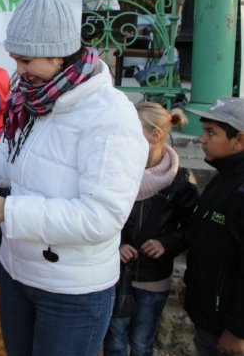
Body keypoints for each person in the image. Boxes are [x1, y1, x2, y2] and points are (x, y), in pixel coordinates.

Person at [0, 0, 147, 356]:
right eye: (15, 58)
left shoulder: (110, 114)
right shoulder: (34, 97)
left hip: (73, 293)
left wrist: (7, 212)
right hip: (19, 274)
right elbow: (12, 164)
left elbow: (102, 217)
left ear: (58, 53)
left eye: (26, 59)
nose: (18, 70)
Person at [103, 102, 198, 356]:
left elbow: (192, 228)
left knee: (143, 341)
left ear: (156, 136)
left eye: (131, 132)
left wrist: (167, 243)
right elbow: (102, 216)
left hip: (154, 277)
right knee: (114, 339)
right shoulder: (115, 172)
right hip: (116, 273)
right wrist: (117, 244)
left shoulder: (180, 180)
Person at [184, 98, 244, 356]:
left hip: (228, 330)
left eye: (211, 133)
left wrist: (238, 329)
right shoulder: (222, 177)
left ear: (239, 140)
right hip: (209, 317)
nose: (201, 139)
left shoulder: (239, 190)